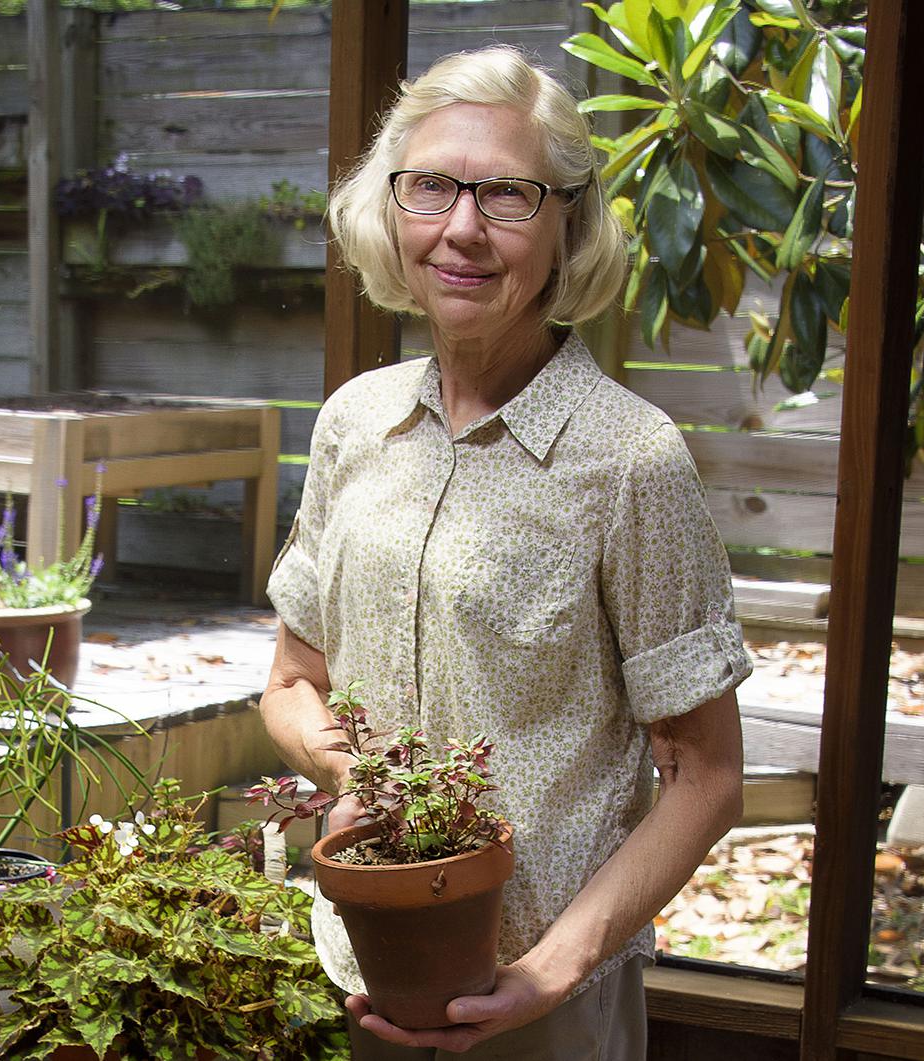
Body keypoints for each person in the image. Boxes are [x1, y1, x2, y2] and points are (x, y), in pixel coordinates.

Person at [259, 45, 752, 1060]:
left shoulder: (629, 459)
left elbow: (706, 775)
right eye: (431, 186)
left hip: (541, 1013)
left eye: (509, 196)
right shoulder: (354, 423)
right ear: (392, 208)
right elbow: (291, 680)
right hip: (350, 970)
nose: (462, 229)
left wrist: (555, 968)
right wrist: (355, 775)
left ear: (567, 221)